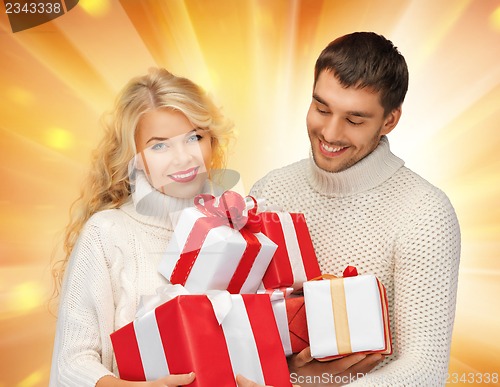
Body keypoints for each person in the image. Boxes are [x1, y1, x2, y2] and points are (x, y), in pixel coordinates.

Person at [250, 32, 461, 386]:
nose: (329, 133)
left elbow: (424, 371)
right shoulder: (270, 190)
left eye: (354, 119)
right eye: (321, 108)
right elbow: (241, 327)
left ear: (389, 121)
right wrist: (291, 376)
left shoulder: (425, 213)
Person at [49, 68, 257, 386]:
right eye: (159, 146)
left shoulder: (235, 227)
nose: (183, 158)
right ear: (135, 158)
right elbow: (71, 363)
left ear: (211, 142)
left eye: (194, 138)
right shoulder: (107, 232)